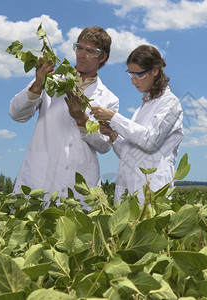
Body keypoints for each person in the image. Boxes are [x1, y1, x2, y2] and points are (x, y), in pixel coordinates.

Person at [9, 26, 119, 205]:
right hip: (40, 177)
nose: (81, 55)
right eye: (79, 48)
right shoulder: (51, 79)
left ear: (103, 57)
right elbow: (16, 113)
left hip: (80, 182)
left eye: (89, 51)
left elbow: (104, 146)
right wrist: (37, 85)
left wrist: (81, 119)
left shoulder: (109, 99)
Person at [90, 45, 183, 203]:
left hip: (153, 188)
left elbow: (148, 140)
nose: (133, 81)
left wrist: (114, 118)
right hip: (130, 189)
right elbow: (129, 154)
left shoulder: (170, 103)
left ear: (154, 71)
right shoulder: (144, 106)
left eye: (138, 75)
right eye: (130, 75)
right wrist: (113, 135)